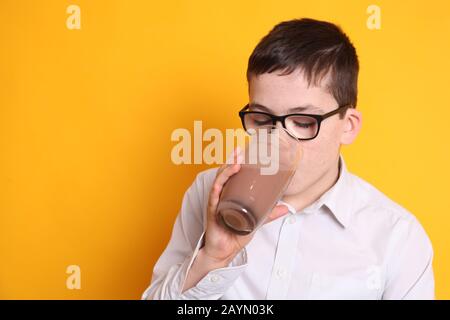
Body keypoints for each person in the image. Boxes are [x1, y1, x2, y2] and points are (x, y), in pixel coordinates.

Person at [142, 18, 434, 300]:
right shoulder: (211, 192)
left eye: (304, 122)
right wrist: (212, 258)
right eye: (261, 119)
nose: (278, 142)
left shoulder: (397, 237)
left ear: (348, 125)